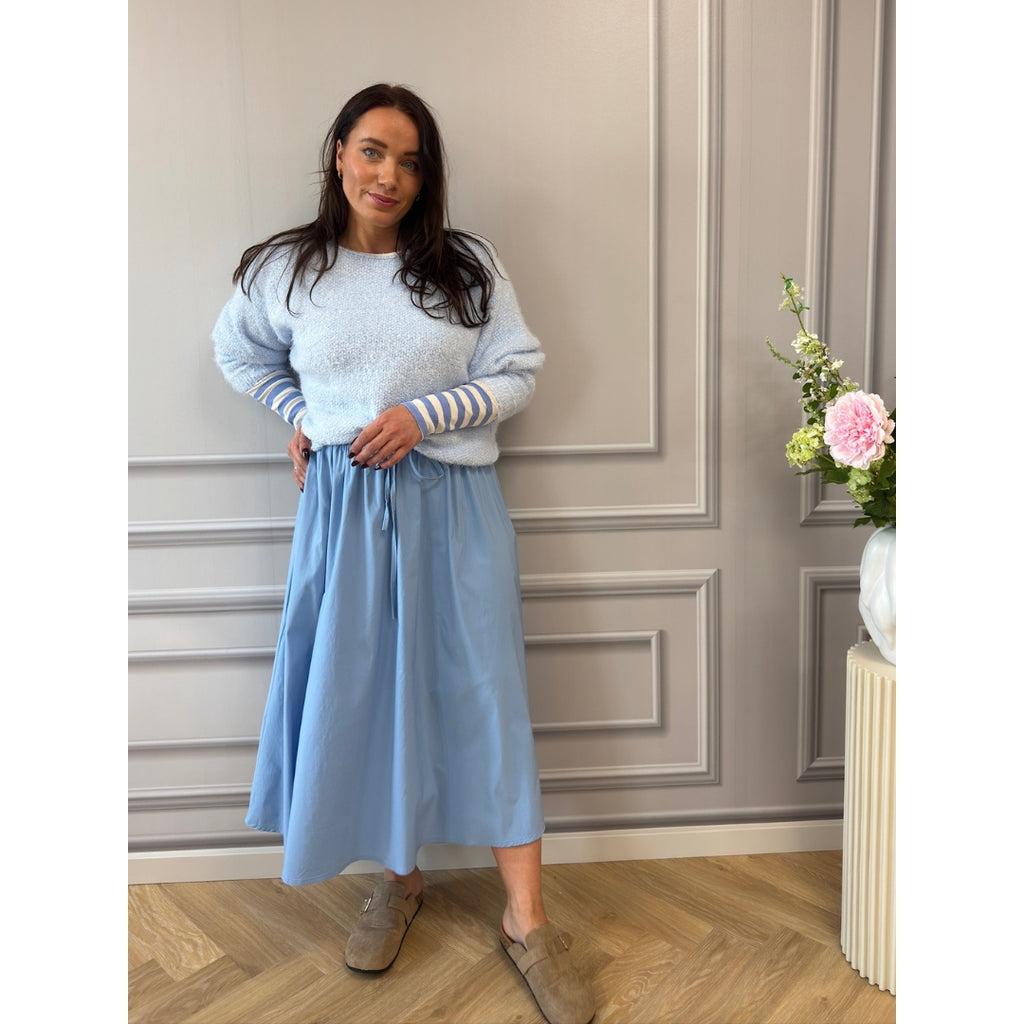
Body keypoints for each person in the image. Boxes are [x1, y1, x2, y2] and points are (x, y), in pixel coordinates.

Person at [212, 83, 595, 1024]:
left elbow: (517, 372)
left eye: (412, 162)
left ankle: (527, 919)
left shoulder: (465, 265)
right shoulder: (288, 270)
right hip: (342, 510)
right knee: (371, 695)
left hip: (455, 504)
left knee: (485, 696)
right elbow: (239, 354)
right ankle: (400, 877)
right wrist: (307, 417)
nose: (390, 175)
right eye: (375, 151)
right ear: (339, 152)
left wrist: (422, 416)